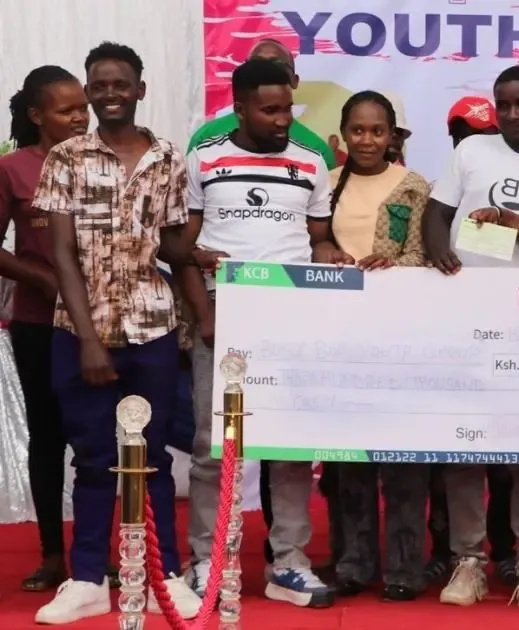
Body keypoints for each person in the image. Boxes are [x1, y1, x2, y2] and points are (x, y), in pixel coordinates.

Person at [32, 42, 203, 624]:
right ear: (88, 92)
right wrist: (88, 339)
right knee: (94, 458)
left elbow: (172, 241)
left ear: (139, 90)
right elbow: (61, 253)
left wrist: (202, 249)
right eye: (99, 85)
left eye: (120, 84)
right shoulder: (66, 157)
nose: (110, 94)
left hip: (153, 326)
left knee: (152, 458)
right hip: (80, 331)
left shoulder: (168, 157)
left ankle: (163, 576)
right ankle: (86, 580)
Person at [177, 58, 351, 610]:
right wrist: (204, 314)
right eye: (269, 110)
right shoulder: (204, 159)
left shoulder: (311, 162)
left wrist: (332, 254)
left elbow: (319, 238)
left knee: (291, 444)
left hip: (292, 316)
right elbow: (182, 247)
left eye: (287, 109)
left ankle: (289, 563)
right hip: (224, 312)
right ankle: (208, 562)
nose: (282, 120)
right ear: (240, 107)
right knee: (214, 446)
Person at [421, 65, 519, 609]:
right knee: (464, 446)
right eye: (504, 104)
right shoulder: (471, 152)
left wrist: (510, 222)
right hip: (463, 317)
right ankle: (468, 562)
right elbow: (437, 215)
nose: (513, 114)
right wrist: (439, 253)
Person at [325, 90, 433, 602]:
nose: (367, 140)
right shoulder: (326, 185)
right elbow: (312, 244)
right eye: (358, 130)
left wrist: (395, 265)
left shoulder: (414, 186)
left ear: (392, 136)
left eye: (377, 131)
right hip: (339, 337)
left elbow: (424, 254)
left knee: (403, 458)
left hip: (400, 337)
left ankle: (405, 568)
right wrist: (329, 255)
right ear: (344, 133)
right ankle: (353, 562)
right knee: (348, 457)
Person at [0, 65, 88, 594]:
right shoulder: (13, 169)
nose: (80, 117)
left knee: (99, 439)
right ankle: (53, 554)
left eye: (83, 108)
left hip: (101, 323)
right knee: (48, 438)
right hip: (38, 325)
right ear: (36, 115)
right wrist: (43, 279)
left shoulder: (102, 160)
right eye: (66, 110)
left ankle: (99, 554)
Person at [422, 94, 509, 585]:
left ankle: (503, 549)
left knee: (505, 453)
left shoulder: (512, 185)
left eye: (484, 134)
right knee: (450, 446)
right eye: (463, 133)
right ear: (452, 136)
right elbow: (431, 234)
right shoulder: (443, 185)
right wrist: (438, 251)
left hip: (507, 327)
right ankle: (446, 548)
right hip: (452, 328)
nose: (472, 142)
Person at [188, 37, 336, 169]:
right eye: (256, 64)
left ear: (294, 80)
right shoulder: (205, 138)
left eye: (276, 65)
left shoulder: (317, 151)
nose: (265, 71)